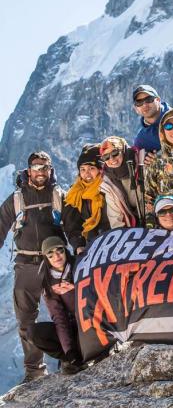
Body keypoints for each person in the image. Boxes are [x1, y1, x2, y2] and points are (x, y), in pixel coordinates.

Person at [0, 151, 82, 383]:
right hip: (25, 264)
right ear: (28, 171)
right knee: (26, 319)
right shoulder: (17, 199)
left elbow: (73, 227)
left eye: (45, 167)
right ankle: (34, 370)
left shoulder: (59, 195)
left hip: (54, 264)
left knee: (67, 312)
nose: (41, 172)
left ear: (50, 170)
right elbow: (1, 224)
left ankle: (72, 356)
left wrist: (79, 249)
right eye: (36, 167)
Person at [28, 236, 85, 375]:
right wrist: (68, 350)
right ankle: (70, 359)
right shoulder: (48, 281)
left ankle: (84, 352)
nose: (56, 256)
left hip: (89, 321)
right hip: (72, 327)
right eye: (50, 254)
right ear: (46, 258)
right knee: (34, 333)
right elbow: (59, 318)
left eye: (59, 250)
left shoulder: (81, 266)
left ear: (65, 250)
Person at [63, 144, 110, 252]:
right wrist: (78, 245)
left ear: (100, 169)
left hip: (112, 242)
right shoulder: (74, 194)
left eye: (91, 168)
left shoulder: (109, 188)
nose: (86, 173)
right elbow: (72, 225)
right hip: (89, 248)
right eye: (82, 169)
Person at [132, 84, 173, 153]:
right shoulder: (142, 140)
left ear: (158, 100)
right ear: (136, 108)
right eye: (139, 102)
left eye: (149, 99)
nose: (144, 105)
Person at [100, 136, 144, 229]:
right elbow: (115, 215)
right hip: (131, 226)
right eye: (106, 157)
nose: (111, 159)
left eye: (115, 153)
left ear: (123, 150)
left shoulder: (142, 162)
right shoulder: (108, 180)